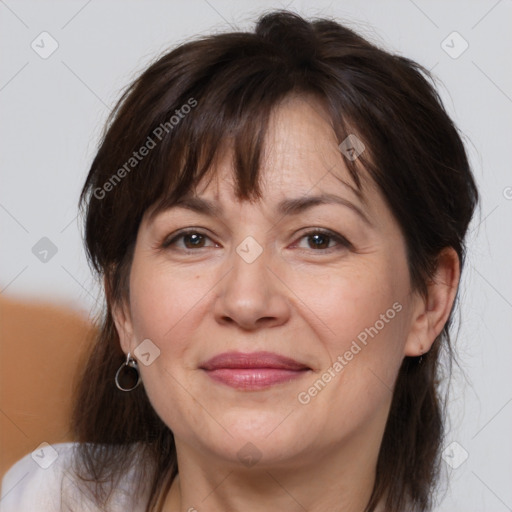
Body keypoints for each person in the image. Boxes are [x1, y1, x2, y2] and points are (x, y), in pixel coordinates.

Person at [0, 9, 478, 512]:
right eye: (191, 239)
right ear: (121, 305)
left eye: (318, 239)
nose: (247, 302)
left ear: (429, 300)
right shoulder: (42, 497)